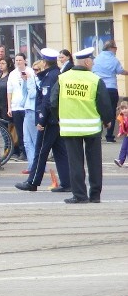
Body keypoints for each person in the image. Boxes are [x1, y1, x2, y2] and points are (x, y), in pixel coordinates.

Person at [51, 47, 113, 204]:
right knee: (95, 163)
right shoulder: (95, 80)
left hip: (70, 128)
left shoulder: (63, 78)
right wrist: (107, 120)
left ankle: (79, 195)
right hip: (91, 128)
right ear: (86, 62)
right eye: (91, 60)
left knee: (75, 163)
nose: (93, 62)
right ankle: (95, 195)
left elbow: (52, 102)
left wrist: (58, 118)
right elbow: (104, 103)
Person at [14, 49, 71, 193]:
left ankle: (33, 182)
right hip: (56, 119)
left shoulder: (50, 77)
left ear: (45, 62)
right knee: (60, 151)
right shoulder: (56, 74)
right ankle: (66, 182)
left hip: (49, 120)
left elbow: (47, 102)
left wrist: (42, 120)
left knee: (40, 151)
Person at [91, 39, 127, 142]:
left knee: (98, 110)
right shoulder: (114, 60)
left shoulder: (96, 58)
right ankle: (109, 136)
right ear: (111, 48)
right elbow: (120, 71)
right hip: (111, 88)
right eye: (115, 48)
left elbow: (93, 71)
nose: (116, 50)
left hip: (98, 87)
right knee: (111, 111)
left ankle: (98, 134)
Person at [7, 53, 35, 165]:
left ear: (25, 60)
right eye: (16, 60)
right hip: (16, 106)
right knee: (19, 131)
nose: (18, 62)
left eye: (20, 60)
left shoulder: (30, 72)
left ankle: (31, 154)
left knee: (29, 131)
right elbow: (9, 91)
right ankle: (23, 152)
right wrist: (9, 106)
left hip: (27, 106)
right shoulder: (12, 74)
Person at [114, 99, 128, 167]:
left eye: (126, 108)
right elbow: (121, 126)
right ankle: (120, 161)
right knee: (123, 148)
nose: (124, 110)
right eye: (123, 109)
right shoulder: (122, 117)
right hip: (126, 135)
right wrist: (120, 132)